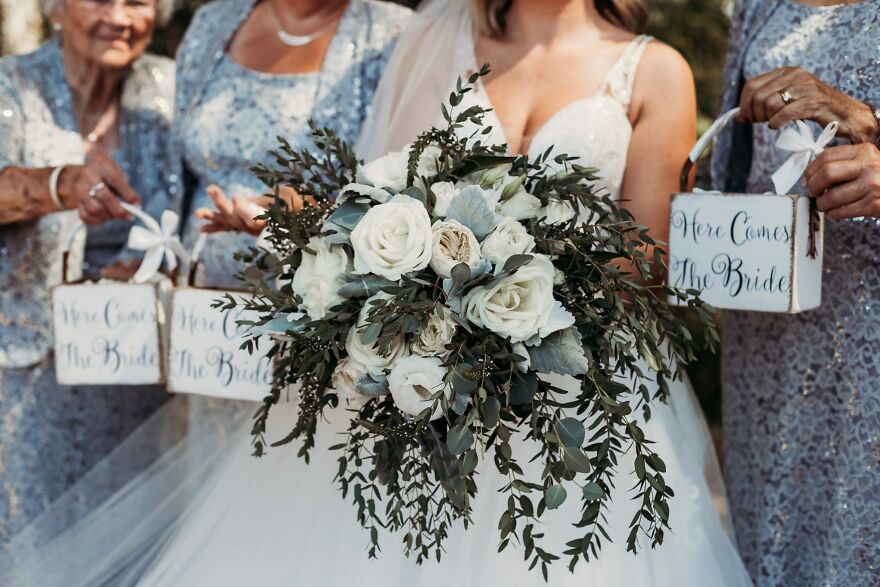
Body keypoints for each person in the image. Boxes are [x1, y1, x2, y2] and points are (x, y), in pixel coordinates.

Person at [1, 1, 753, 585]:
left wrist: (512, 296)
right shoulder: (437, 41)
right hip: (421, 376)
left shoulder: (655, 70)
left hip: (575, 389)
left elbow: (646, 264)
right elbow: (378, 201)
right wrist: (408, 282)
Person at [166, 0, 412, 451]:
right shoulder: (216, 20)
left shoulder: (393, 34)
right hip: (206, 327)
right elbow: (174, 170)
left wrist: (301, 217)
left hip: (316, 323)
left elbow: (402, 198)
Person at [712, 1, 880, 584]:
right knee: (769, 540)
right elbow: (727, 164)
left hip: (867, 341)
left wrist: (864, 120)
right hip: (764, 335)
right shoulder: (758, 7)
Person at [0, 0, 177, 546]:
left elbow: (196, 199)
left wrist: (156, 266)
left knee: (127, 547)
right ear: (55, 9)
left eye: (138, 3)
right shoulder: (12, 86)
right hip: (24, 369)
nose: (120, 18)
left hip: (134, 370)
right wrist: (62, 185)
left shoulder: (170, 87)